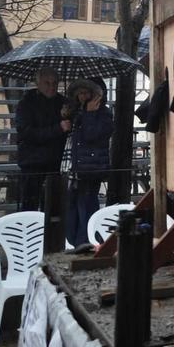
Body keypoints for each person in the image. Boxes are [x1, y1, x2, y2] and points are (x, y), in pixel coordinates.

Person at [64, 78, 114, 248]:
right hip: (77, 167)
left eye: (86, 93)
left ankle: (86, 241)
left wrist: (90, 114)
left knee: (87, 203)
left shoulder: (104, 113)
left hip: (92, 167)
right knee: (75, 204)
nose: (82, 97)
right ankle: (75, 240)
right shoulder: (79, 111)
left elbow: (92, 136)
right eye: (80, 93)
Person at [14, 68, 70, 212]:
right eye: (47, 83)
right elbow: (27, 133)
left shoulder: (63, 103)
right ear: (38, 83)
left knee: (52, 209)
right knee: (29, 207)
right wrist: (58, 128)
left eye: (55, 83)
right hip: (32, 162)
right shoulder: (26, 104)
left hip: (55, 162)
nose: (52, 87)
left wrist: (67, 116)